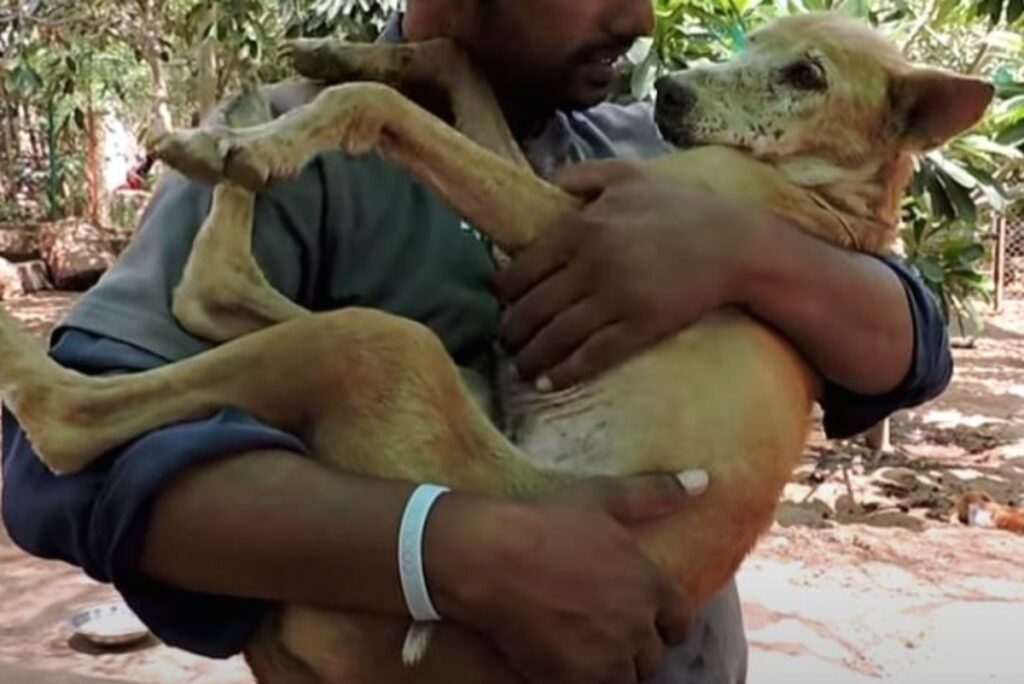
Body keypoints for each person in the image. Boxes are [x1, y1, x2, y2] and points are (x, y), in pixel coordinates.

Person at [1, 1, 952, 682]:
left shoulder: (653, 145)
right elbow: (64, 479)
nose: (640, 20)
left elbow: (908, 339)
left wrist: (746, 258)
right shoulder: (279, 138)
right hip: (439, 643)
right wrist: (448, 551)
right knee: (385, 360)